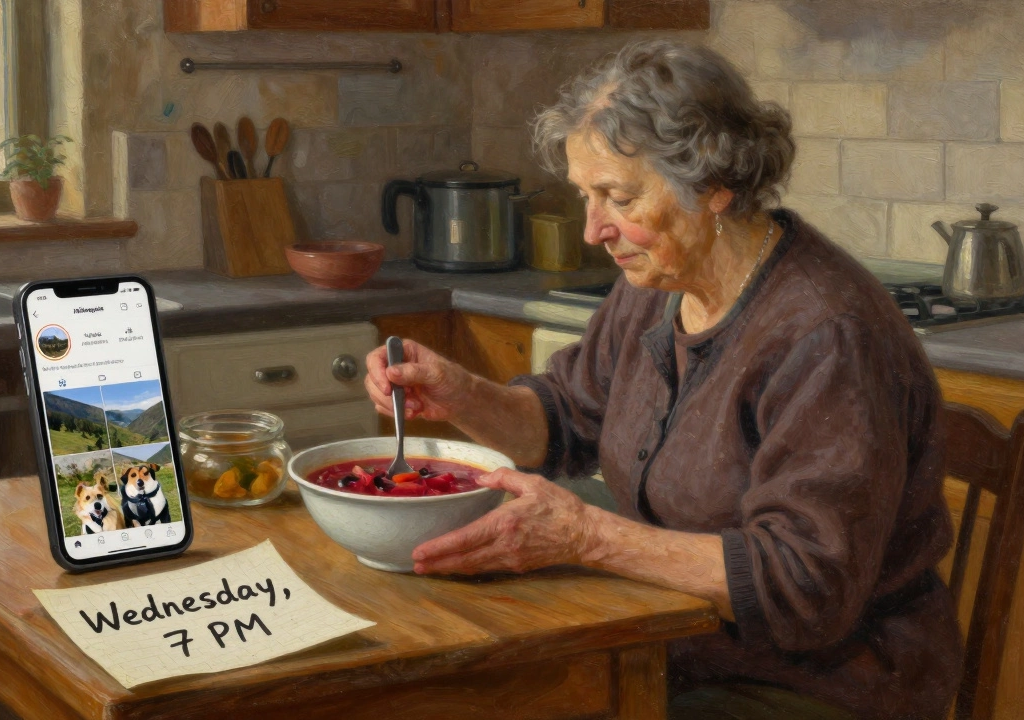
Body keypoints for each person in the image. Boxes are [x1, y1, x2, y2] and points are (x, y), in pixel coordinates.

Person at [365, 40, 962, 720]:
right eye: (586, 196)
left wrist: (587, 537)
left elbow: (806, 589)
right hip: (670, 645)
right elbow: (564, 419)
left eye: (618, 197)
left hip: (820, 687)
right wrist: (462, 394)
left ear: (711, 186)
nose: (593, 229)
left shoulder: (826, 333)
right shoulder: (657, 282)